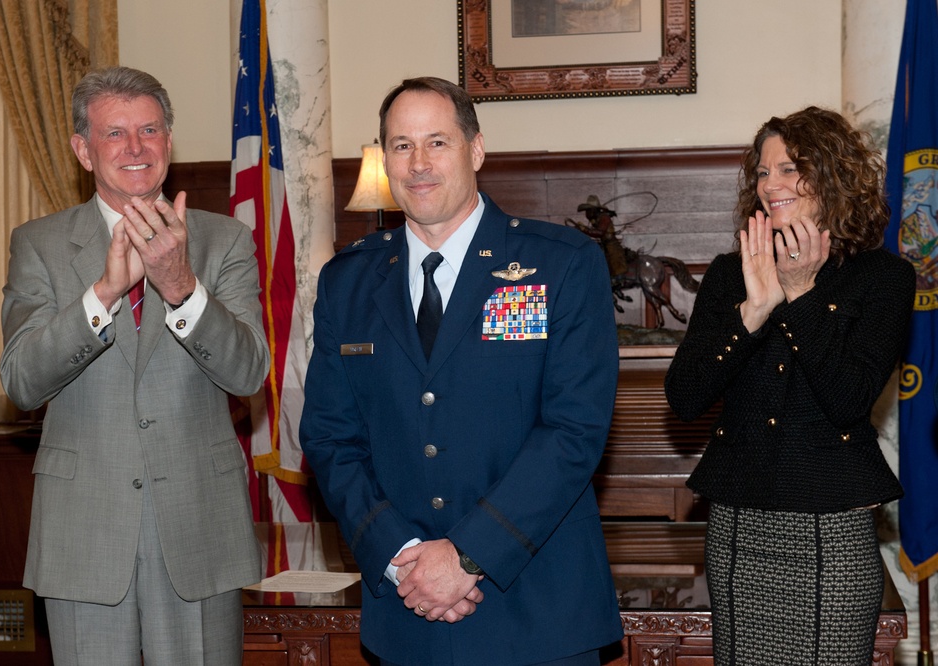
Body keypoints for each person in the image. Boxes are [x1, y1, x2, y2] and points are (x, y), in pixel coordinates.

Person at [299, 76, 623, 665]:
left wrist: (467, 555)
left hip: (536, 613)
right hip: (407, 610)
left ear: (476, 150)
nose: (418, 164)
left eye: (437, 143)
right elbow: (329, 436)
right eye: (401, 145)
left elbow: (574, 432)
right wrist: (401, 555)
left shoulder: (562, 265)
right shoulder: (348, 281)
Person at [0, 66, 270, 664]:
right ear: (83, 150)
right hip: (85, 535)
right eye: (114, 133)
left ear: (169, 143)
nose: (135, 147)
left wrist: (182, 288)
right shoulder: (39, 244)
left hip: (200, 530)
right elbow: (20, 381)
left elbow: (249, 372)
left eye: (149, 130)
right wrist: (99, 296)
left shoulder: (224, 241)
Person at [665, 106, 916, 665]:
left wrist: (801, 294)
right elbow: (684, 399)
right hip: (739, 527)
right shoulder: (733, 274)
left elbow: (848, 399)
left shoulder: (884, 278)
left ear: (832, 175)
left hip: (832, 534)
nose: (771, 184)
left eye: (789, 168)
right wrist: (753, 312)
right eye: (762, 172)